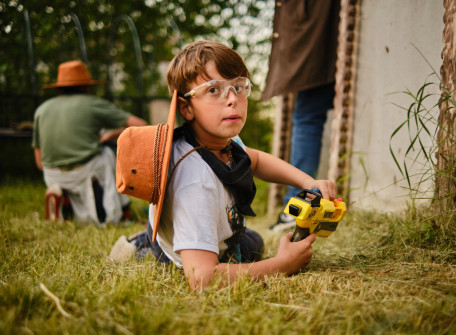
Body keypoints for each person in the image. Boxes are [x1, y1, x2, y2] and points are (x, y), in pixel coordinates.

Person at [113, 41, 337, 291]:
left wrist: (309, 182)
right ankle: (141, 246)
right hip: (174, 246)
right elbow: (202, 278)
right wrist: (283, 264)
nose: (232, 99)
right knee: (175, 259)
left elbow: (258, 160)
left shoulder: (223, 139)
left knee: (254, 242)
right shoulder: (195, 182)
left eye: (239, 87)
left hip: (224, 232)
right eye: (213, 90)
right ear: (186, 108)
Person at [32, 60, 147, 224]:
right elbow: (141, 125)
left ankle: (64, 199)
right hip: (86, 172)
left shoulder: (41, 110)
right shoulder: (93, 104)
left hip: (51, 174)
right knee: (107, 152)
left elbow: (39, 162)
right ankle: (119, 212)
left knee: (79, 209)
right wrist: (114, 134)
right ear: (86, 86)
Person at [262, 0, 341, 231]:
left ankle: (296, 204)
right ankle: (297, 203)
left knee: (307, 118)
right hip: (320, 34)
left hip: (316, 34)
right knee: (307, 118)